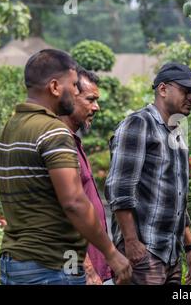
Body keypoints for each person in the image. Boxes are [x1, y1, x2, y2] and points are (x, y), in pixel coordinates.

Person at [0, 49, 131, 285]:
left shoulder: (12, 126)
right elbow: (74, 202)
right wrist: (111, 253)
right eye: (74, 86)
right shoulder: (53, 131)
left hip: (16, 262)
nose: (76, 91)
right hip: (51, 266)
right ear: (55, 87)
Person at [105, 62, 191, 285]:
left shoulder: (176, 133)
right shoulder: (139, 124)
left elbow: (179, 199)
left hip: (170, 253)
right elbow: (119, 189)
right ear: (162, 89)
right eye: (186, 91)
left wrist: (190, 247)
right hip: (144, 252)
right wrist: (131, 242)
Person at [59, 67, 112, 285]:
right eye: (90, 99)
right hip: (78, 270)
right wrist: (87, 268)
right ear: (70, 96)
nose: (96, 107)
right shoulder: (59, 144)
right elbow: (66, 211)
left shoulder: (73, 141)